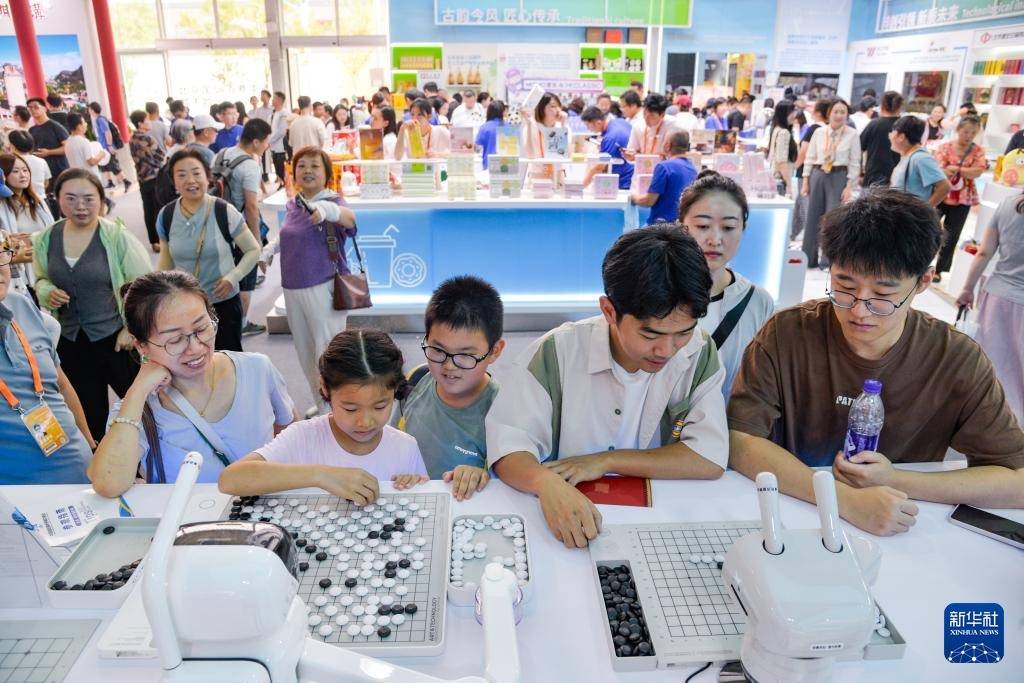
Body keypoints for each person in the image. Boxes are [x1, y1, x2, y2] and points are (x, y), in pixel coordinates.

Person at [728, 188, 1024, 536]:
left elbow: (1015, 480)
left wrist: (895, 479)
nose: (858, 310)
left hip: (904, 526)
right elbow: (740, 440)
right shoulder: (787, 333)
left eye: (883, 295)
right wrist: (845, 501)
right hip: (795, 515)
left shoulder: (956, 358)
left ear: (924, 281)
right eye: (844, 285)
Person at [485, 225, 728, 548]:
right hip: (564, 519)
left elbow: (708, 457)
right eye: (650, 335)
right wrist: (544, 482)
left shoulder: (700, 352)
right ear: (609, 311)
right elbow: (508, 447)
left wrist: (605, 461)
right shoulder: (557, 352)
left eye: (683, 332)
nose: (667, 350)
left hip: (659, 521)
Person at [89, 271, 296, 495]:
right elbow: (108, 484)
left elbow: (290, 435)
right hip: (187, 518)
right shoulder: (138, 409)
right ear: (141, 346)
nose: (196, 348)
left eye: (201, 328)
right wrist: (138, 390)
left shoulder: (256, 369)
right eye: (175, 340)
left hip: (264, 512)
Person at [219, 330, 428, 500]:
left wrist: (413, 486)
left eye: (380, 406)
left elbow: (422, 499)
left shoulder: (405, 447)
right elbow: (230, 479)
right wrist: (320, 475)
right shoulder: (303, 437)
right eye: (350, 409)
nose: (365, 422)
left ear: (395, 391)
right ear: (325, 389)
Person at [31, 169, 151, 440]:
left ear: (101, 198)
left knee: (141, 407)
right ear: (58, 199)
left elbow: (143, 286)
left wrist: (130, 329)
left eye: (88, 198)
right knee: (87, 414)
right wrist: (47, 290)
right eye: (71, 198)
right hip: (71, 341)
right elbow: (40, 279)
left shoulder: (115, 236)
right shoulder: (47, 238)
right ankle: (99, 459)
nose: (80, 206)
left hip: (116, 340)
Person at [393, 276, 505, 500]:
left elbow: (508, 487)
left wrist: (482, 476)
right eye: (438, 350)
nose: (449, 366)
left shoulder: (502, 412)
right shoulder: (417, 379)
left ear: (494, 351)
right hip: (410, 503)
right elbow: (393, 441)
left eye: (465, 355)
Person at [0, 232, 95, 483]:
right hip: (18, 493)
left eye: (1, 255)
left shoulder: (21, 305)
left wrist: (90, 444)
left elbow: (61, 384)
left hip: (80, 472)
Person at [678, 172, 775, 396]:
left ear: (743, 229)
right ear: (682, 226)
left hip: (727, 418)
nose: (715, 240)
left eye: (729, 227)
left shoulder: (758, 302)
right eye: (703, 226)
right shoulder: (656, 291)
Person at [156, 149, 261, 351]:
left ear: (207, 176)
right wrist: (159, 294)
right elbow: (166, 261)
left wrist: (233, 277)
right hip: (185, 305)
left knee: (227, 359)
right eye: (181, 175)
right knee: (193, 359)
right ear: (174, 182)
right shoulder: (166, 215)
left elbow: (253, 250)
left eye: (196, 173)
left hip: (223, 302)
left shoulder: (224, 211)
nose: (190, 180)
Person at [276, 146, 355, 405]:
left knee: (327, 351)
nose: (307, 170)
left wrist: (327, 211)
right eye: (301, 166)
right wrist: (267, 251)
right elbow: (289, 236)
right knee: (306, 352)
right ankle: (320, 403)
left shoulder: (333, 202)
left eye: (314, 166)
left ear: (327, 173)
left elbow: (350, 220)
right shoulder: (294, 204)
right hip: (292, 287)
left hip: (323, 285)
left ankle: (334, 407)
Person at [957, 193, 1024, 424]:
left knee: (991, 364)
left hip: (998, 296)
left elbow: (984, 252)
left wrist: (967, 289)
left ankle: (984, 419)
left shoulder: (1008, 204)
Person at [213, 118, 272, 339]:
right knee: (246, 282)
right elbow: (251, 207)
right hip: (239, 228)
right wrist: (255, 241)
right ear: (255, 142)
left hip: (218, 222)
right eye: (265, 141)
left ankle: (222, 322)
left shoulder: (222, 154)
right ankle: (242, 324)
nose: (267, 145)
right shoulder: (250, 166)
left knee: (228, 272)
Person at [802, 98, 860, 269]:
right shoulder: (819, 132)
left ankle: (827, 261)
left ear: (847, 115)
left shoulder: (852, 134)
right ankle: (808, 258)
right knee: (812, 217)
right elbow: (810, 157)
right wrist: (805, 180)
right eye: (836, 111)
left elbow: (855, 162)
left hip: (839, 175)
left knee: (833, 219)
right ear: (829, 113)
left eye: (843, 112)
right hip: (818, 174)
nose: (839, 115)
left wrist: (849, 186)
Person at [931, 116, 988, 282]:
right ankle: (921, 263)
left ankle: (939, 270)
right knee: (930, 229)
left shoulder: (978, 150)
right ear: (958, 130)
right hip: (941, 193)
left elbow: (978, 171)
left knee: (953, 235)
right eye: (965, 132)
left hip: (963, 198)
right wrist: (964, 170)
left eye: (973, 133)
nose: (968, 136)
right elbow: (938, 168)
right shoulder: (945, 146)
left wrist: (955, 168)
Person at [630, 131, 697, 223]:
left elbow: (648, 201)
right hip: (683, 225)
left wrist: (633, 198)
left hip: (661, 226)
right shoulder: (693, 170)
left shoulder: (664, 167)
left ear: (667, 146)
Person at [888, 115, 951, 206]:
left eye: (892, 133)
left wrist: (924, 210)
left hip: (911, 214)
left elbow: (944, 187)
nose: (890, 136)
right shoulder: (908, 156)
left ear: (901, 136)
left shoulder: (920, 158)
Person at [791, 99, 830, 239]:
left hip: (806, 172)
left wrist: (795, 166)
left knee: (806, 206)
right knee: (800, 205)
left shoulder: (813, 128)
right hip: (819, 172)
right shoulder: (828, 130)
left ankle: (813, 240)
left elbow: (804, 151)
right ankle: (791, 235)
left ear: (818, 112)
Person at [129, 109, 166, 252]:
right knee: (158, 209)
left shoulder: (132, 139)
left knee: (148, 210)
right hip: (154, 177)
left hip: (142, 178)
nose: (150, 122)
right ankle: (161, 240)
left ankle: (154, 242)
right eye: (147, 120)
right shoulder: (148, 139)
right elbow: (160, 157)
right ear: (140, 123)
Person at [579, 106, 634, 190]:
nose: (588, 129)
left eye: (588, 126)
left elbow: (600, 166)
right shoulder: (620, 121)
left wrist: (581, 187)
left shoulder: (610, 138)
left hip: (624, 181)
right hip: (632, 174)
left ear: (598, 123)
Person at [520, 92, 567, 184]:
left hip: (557, 175)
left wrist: (563, 125)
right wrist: (529, 125)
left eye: (559, 106)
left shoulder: (560, 126)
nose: (558, 110)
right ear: (542, 109)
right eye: (553, 106)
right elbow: (530, 155)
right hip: (537, 176)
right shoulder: (532, 126)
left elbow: (562, 155)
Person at [860, 90, 903, 188]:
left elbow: (859, 147)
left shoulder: (874, 124)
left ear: (882, 105)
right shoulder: (904, 126)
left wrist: (860, 173)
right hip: (897, 178)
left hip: (873, 176)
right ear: (899, 107)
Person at [87, 102, 130, 192]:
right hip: (102, 147)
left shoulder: (100, 120)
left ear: (92, 110)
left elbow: (107, 132)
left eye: (89, 109)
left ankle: (126, 181)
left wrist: (110, 145)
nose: (88, 111)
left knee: (113, 166)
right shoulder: (98, 119)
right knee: (104, 165)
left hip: (107, 147)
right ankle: (110, 182)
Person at [26, 97, 69, 179]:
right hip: (42, 171)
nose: (32, 110)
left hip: (59, 170)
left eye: (36, 107)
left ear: (45, 109)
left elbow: (68, 147)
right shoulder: (32, 130)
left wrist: (49, 152)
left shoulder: (55, 126)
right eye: (30, 108)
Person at [624, 94, 677, 162]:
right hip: (642, 166)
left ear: (662, 115)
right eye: (644, 113)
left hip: (663, 166)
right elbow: (632, 149)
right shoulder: (638, 125)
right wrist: (631, 155)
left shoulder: (672, 126)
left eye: (652, 116)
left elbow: (676, 154)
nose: (646, 118)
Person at [6, 130, 51, 200]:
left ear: (12, 146)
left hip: (19, 201)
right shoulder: (41, 161)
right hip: (41, 200)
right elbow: (46, 183)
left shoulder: (10, 162)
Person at [63, 113, 105, 182]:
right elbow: (91, 162)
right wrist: (101, 154)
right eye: (84, 122)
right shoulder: (83, 141)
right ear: (79, 126)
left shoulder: (68, 142)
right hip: (90, 180)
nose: (86, 124)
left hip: (77, 179)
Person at [766, 100, 795, 196]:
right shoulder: (784, 132)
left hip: (775, 176)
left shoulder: (776, 129)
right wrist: (789, 186)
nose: (794, 115)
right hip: (781, 179)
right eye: (790, 112)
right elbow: (782, 161)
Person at [475, 101, 505, 170]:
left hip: (489, 165)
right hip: (506, 165)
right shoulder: (508, 126)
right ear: (502, 112)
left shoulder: (485, 127)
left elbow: (477, 146)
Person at [269, 91, 289, 181]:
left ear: (280, 100)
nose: (272, 100)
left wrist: (269, 141)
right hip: (274, 148)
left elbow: (281, 131)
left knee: (282, 171)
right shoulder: (273, 113)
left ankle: (284, 185)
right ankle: (280, 183)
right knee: (277, 171)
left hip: (281, 148)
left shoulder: (284, 113)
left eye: (274, 98)